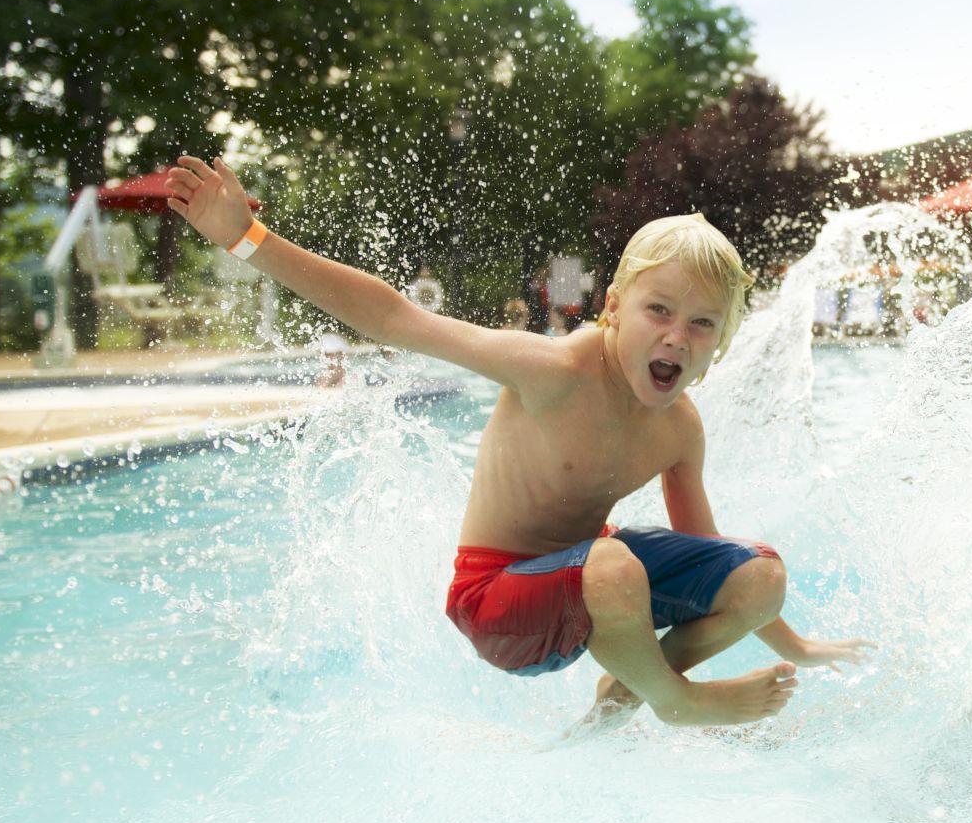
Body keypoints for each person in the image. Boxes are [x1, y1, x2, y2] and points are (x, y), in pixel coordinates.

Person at [164, 155, 871, 729]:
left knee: (760, 575)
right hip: (498, 604)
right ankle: (673, 699)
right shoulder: (552, 371)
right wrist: (245, 238)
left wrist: (795, 642)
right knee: (613, 562)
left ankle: (629, 691)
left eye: (702, 324)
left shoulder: (679, 427)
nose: (675, 337)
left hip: (595, 583)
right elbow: (394, 317)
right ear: (615, 307)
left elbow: (712, 559)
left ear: (723, 340)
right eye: (659, 309)